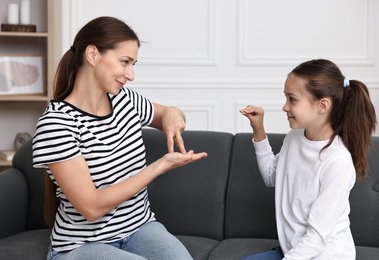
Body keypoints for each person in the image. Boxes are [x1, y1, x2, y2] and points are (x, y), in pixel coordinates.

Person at [32, 16, 208, 260]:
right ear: (93, 55)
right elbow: (92, 207)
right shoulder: (57, 124)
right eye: (125, 62)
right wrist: (160, 166)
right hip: (81, 245)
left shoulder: (125, 100)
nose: (131, 74)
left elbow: (168, 112)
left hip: (139, 228)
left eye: (133, 63)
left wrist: (172, 116)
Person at [239, 59, 377, 259]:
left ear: (322, 105)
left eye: (292, 99)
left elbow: (317, 238)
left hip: (324, 255)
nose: (285, 107)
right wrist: (258, 129)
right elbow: (271, 177)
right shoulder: (294, 138)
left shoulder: (337, 161)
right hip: (296, 252)